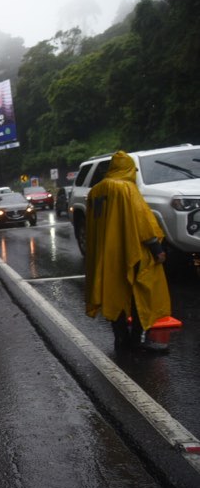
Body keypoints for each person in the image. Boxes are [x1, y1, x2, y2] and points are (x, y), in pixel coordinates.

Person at [84, 150, 171, 351]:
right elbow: (143, 222)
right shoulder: (126, 189)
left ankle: (120, 338)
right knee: (141, 292)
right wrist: (156, 248)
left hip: (106, 254)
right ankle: (137, 340)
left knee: (114, 293)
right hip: (132, 250)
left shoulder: (95, 191)